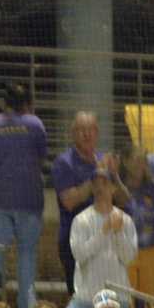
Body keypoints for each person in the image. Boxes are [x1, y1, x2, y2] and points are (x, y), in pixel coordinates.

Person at [0, 84, 46, 308]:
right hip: (28, 199)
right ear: (28, 104)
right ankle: (27, 305)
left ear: (5, 104)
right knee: (26, 253)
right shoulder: (34, 124)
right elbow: (41, 156)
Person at [61, 170, 136, 308]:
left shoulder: (126, 221)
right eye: (96, 184)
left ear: (113, 188)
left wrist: (117, 234)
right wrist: (104, 232)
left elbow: (128, 257)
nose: (100, 188)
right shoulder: (81, 220)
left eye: (105, 183)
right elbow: (80, 254)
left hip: (118, 298)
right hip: (86, 296)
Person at [49, 111, 107, 297]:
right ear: (73, 134)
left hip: (102, 239)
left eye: (91, 129)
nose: (87, 134)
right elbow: (69, 201)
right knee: (80, 298)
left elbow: (120, 199)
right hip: (74, 240)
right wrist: (95, 178)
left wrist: (117, 178)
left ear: (97, 133)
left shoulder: (104, 160)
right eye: (81, 130)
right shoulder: (63, 163)